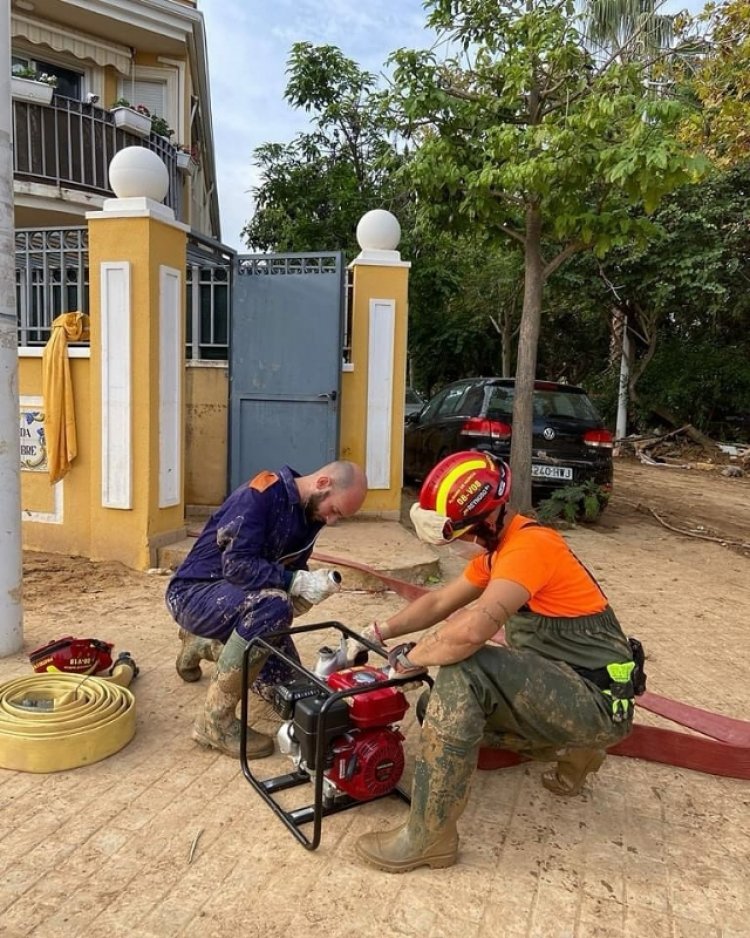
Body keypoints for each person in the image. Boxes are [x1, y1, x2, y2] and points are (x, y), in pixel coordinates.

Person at [352, 451, 638, 873]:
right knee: (436, 709)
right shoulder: (502, 551)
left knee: (465, 670)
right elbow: (439, 601)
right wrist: (377, 633)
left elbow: (470, 632)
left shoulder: (531, 547)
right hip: (567, 682)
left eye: (461, 532)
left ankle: (430, 836)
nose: (461, 541)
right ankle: (572, 747)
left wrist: (408, 660)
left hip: (593, 698)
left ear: (483, 520)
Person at [166, 460, 368, 759]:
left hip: (241, 602)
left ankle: (204, 643)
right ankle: (214, 723)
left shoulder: (310, 516)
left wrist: (301, 591)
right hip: (194, 594)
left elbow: (286, 573)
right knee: (271, 606)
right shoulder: (260, 495)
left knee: (294, 691)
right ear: (323, 484)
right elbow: (236, 566)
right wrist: (290, 583)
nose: (332, 521)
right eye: (335, 511)